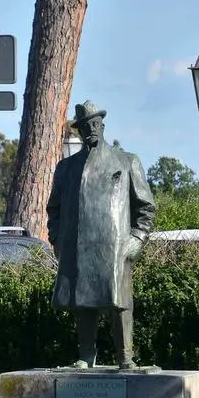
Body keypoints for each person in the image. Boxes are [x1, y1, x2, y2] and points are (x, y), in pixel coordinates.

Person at [46, 100, 156, 369]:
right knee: (83, 302)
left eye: (94, 124)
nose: (90, 130)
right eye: (84, 126)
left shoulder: (127, 161)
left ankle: (125, 356)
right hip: (77, 247)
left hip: (115, 246)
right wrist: (57, 239)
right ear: (79, 131)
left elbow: (146, 207)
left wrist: (137, 239)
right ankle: (85, 355)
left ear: (102, 125)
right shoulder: (67, 168)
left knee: (119, 303)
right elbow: (54, 209)